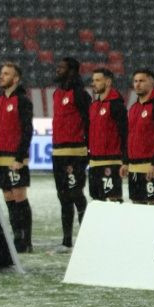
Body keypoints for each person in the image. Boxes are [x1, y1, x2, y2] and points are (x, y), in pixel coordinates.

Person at [0, 62, 34, 251]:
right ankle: (17, 236)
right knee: (8, 197)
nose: (1, 76)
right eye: (1, 73)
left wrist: (20, 156)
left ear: (15, 79)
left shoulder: (23, 100)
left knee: (19, 196)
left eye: (6, 74)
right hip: (1, 157)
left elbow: (27, 130)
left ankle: (26, 241)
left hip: (14, 157)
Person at [51, 57, 91, 250]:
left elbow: (89, 122)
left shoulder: (80, 94)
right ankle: (66, 241)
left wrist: (88, 148)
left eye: (61, 67)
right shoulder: (57, 94)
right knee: (63, 195)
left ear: (72, 71)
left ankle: (85, 237)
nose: (57, 70)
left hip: (75, 151)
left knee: (75, 193)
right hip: (58, 151)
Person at [121, 68, 154, 206]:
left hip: (151, 167)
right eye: (135, 81)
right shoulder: (133, 108)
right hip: (134, 167)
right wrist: (125, 161)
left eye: (142, 81)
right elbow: (129, 137)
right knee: (137, 207)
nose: (137, 84)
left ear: (151, 82)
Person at [87, 67, 127, 204]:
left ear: (108, 82)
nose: (93, 83)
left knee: (114, 200)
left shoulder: (116, 104)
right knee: (97, 201)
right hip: (94, 162)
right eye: (93, 80)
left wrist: (125, 159)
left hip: (111, 161)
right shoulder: (94, 105)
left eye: (98, 80)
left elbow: (124, 133)